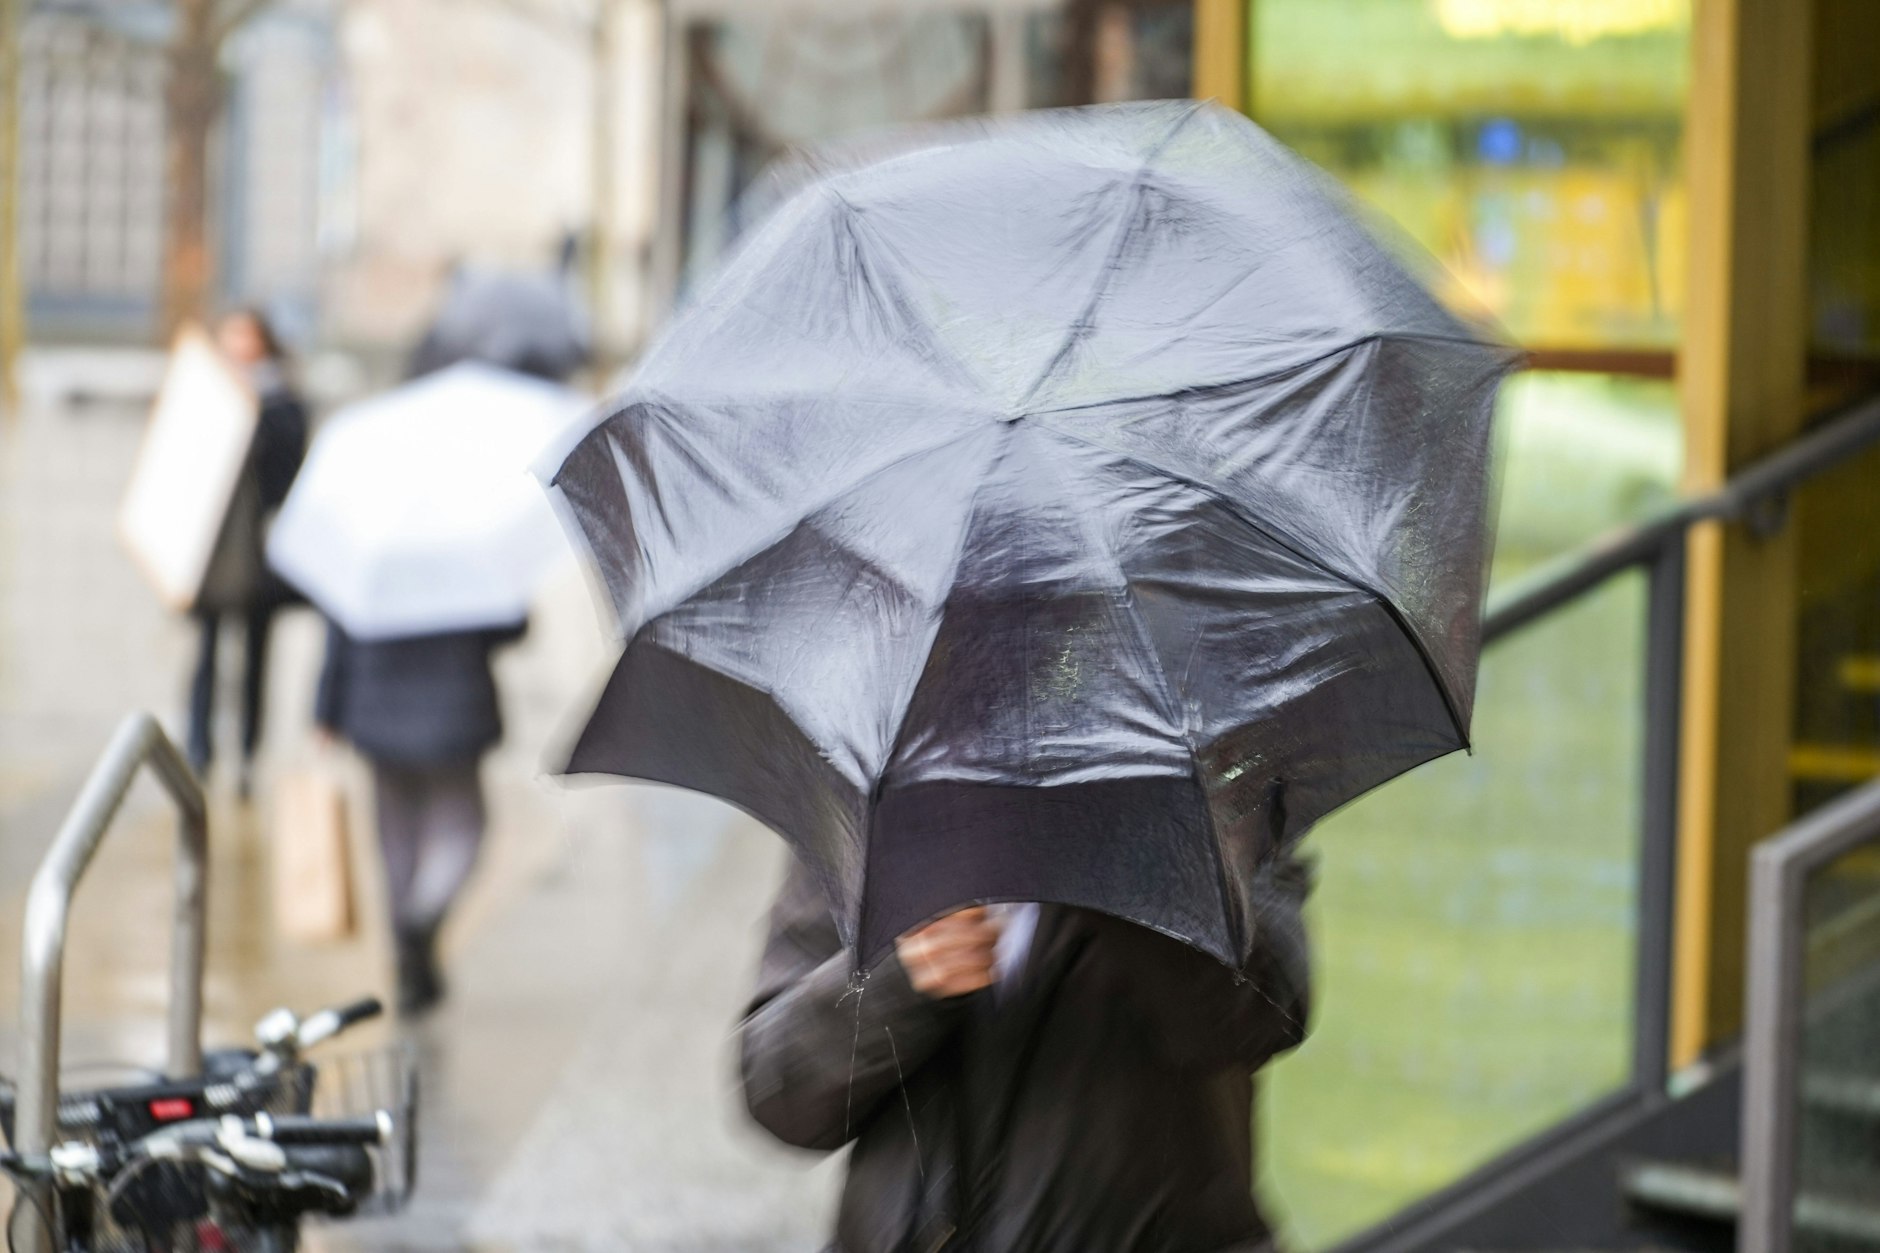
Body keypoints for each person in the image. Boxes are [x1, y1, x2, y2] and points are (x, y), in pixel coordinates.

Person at [739, 849, 1313, 1252]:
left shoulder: (1220, 784)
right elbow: (778, 1091)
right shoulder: (866, 801)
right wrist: (895, 979)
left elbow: (1264, 1013)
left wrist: (1113, 860)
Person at [314, 620, 524, 1014]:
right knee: (464, 828)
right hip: (454, 703)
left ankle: (407, 958)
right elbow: (510, 627)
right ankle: (419, 926)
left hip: (377, 705)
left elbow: (339, 627)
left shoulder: (367, 559)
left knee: (395, 841)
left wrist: (326, 709)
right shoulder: (466, 557)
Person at [186, 308, 309, 795]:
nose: (238, 346)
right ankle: (199, 752)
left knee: (256, 659)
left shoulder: (283, 405)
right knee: (205, 656)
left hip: (261, 554)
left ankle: (247, 756)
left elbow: (288, 476)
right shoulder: (204, 399)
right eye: (230, 336)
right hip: (212, 555)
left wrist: (251, 417)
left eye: (247, 336)